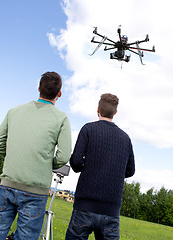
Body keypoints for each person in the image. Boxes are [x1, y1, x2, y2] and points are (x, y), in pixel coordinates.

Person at [0, 71, 72, 240]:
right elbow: (63, 157)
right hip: (36, 191)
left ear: (38, 88)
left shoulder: (14, 111)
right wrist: (44, 163)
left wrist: (14, 156)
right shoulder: (61, 118)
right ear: (59, 93)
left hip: (7, 184)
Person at [65, 93, 135, 240]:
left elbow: (76, 162)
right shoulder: (125, 138)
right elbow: (130, 170)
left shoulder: (88, 130)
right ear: (115, 112)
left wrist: (91, 166)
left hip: (84, 207)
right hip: (111, 210)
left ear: (98, 109)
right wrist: (112, 170)